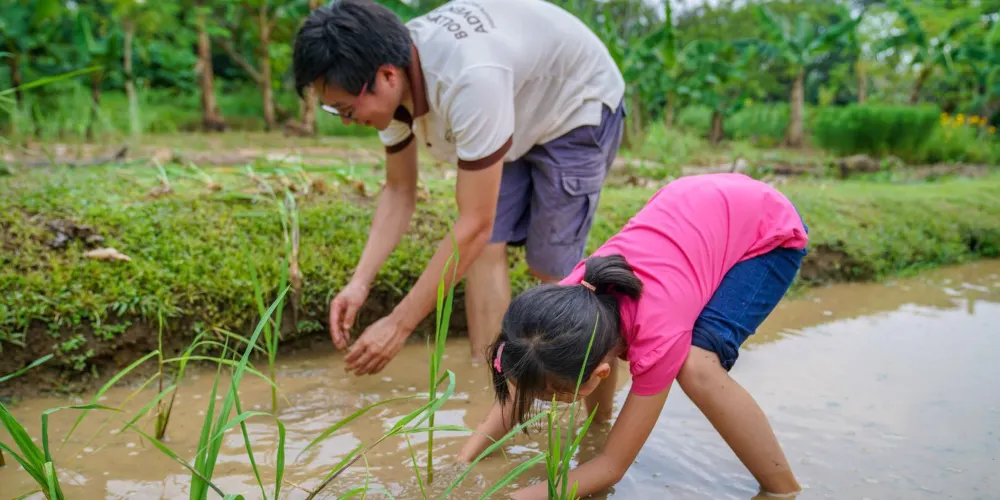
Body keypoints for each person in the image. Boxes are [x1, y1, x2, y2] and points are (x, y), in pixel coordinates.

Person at [292, 0, 626, 375]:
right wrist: (359, 283)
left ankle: (594, 387)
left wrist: (399, 325)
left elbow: (474, 224)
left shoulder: (469, 79)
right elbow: (400, 191)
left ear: (386, 76)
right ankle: (491, 377)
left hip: (576, 101)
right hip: (513, 100)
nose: (347, 122)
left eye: (347, 110)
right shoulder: (390, 75)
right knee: (484, 249)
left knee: (553, 270)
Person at [456, 172, 810, 499]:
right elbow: (525, 374)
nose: (539, 400)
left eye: (548, 394)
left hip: (767, 230)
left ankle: (782, 487)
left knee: (697, 367)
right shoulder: (566, 303)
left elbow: (611, 468)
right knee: (592, 351)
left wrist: (506, 497)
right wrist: (462, 462)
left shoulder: (659, 337)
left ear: (601, 374)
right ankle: (599, 423)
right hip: (698, 206)